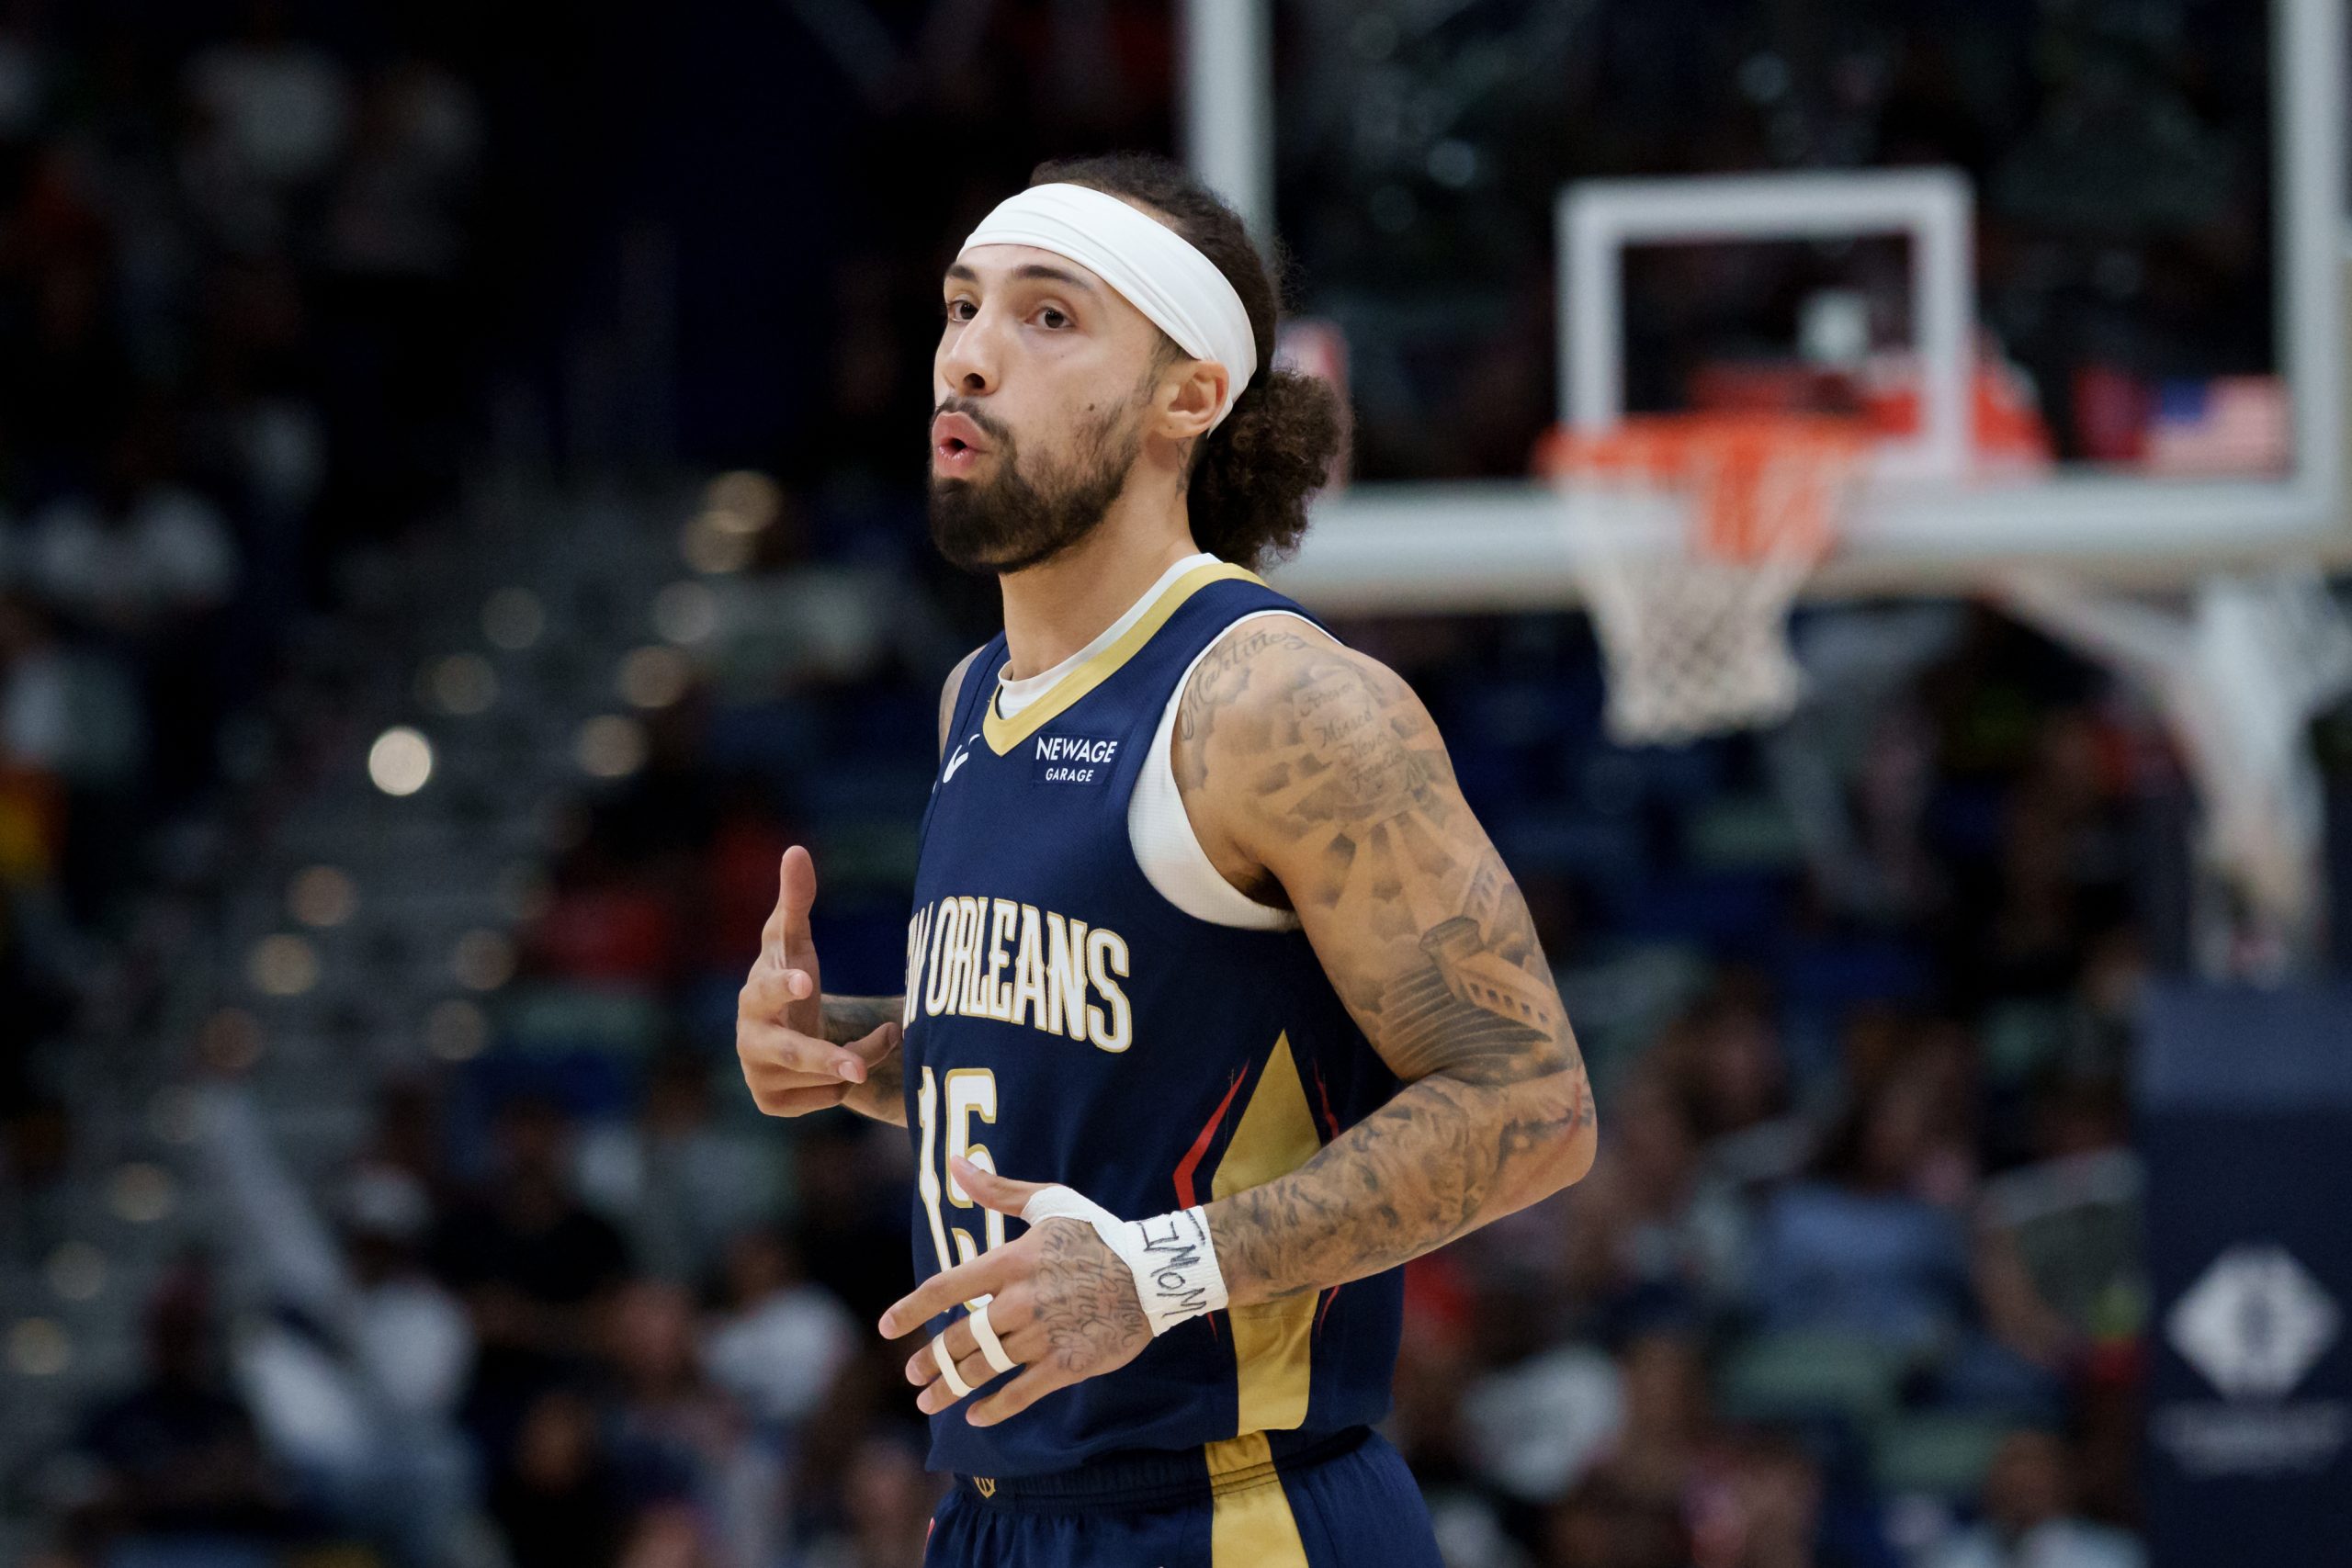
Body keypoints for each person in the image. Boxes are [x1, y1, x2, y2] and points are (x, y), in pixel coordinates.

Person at [733, 152, 1599, 1566]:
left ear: (1188, 397)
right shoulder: (976, 700)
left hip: (1236, 1511)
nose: (968, 358)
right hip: (996, 1516)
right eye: (961, 309)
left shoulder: (1275, 704)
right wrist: (851, 1055)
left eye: (1048, 317)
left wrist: (1160, 1270)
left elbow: (1537, 1106)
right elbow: (1122, 1063)